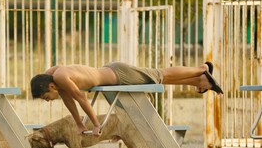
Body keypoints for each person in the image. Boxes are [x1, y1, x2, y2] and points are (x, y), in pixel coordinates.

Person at [30, 61, 223, 136]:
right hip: (113, 75)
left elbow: (80, 99)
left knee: (160, 74)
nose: (48, 101)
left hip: (119, 75)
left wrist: (96, 124)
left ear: (51, 86)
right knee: (160, 79)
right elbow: (68, 101)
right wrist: (80, 125)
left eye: (47, 97)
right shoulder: (52, 75)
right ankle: (201, 81)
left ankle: (202, 69)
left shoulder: (61, 77)